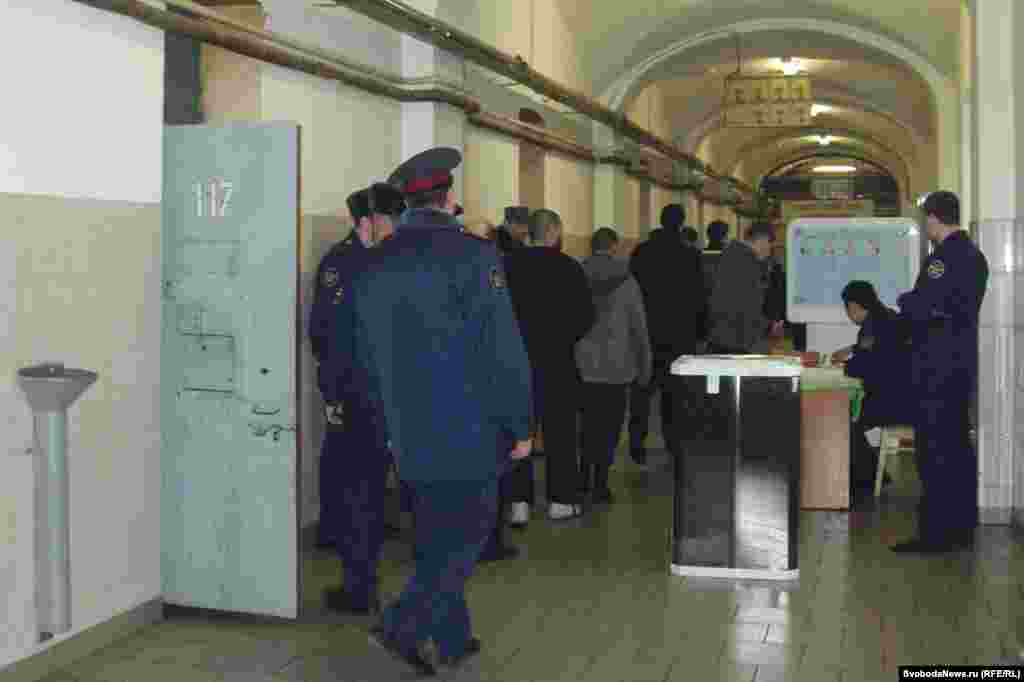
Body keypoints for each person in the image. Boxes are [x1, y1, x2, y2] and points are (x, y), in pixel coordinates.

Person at [336, 147, 533, 675]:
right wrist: (520, 424)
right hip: (468, 426)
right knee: (467, 538)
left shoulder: (373, 264)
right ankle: (401, 627)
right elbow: (501, 349)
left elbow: (359, 353)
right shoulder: (474, 257)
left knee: (434, 532)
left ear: (405, 203)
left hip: (402, 426)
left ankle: (452, 637)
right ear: (448, 199)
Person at [308, 182, 405, 614]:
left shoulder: (387, 260)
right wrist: (332, 394)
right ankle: (358, 582)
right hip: (354, 396)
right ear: (367, 221)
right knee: (356, 490)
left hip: (389, 395)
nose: (394, 226)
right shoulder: (341, 264)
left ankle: (364, 576)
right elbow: (324, 335)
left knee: (370, 489)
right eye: (388, 219)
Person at [891, 191, 988, 554]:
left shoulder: (943, 259)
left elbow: (923, 305)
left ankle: (934, 534)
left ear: (933, 219)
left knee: (934, 450)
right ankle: (960, 527)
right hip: (960, 363)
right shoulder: (975, 255)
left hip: (936, 365)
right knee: (958, 446)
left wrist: (905, 301)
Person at [503, 208, 596, 524]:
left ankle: (519, 503)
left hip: (517, 364)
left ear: (529, 233)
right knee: (561, 433)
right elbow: (586, 316)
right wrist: (562, 338)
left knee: (519, 431)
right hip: (558, 363)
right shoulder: (569, 268)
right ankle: (561, 500)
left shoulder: (509, 265)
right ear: (554, 232)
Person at [576, 227, 652, 503]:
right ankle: (600, 483)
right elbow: (638, 326)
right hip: (618, 367)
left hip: (582, 365)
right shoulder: (627, 280)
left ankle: (582, 475)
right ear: (615, 247)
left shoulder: (577, 275)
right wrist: (645, 366)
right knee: (609, 427)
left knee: (585, 425)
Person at [628, 203, 705, 464]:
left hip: (647, 333)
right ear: (682, 223)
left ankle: (636, 445)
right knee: (674, 395)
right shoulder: (690, 255)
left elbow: (633, 292)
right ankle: (674, 445)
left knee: (642, 391)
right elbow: (698, 297)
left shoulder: (641, 252)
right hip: (680, 335)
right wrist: (700, 332)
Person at [830, 281, 913, 501]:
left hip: (891, 401)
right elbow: (880, 348)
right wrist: (851, 350)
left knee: (843, 420)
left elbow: (867, 365)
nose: (848, 314)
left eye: (847, 309)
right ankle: (874, 476)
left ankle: (865, 482)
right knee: (848, 418)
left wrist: (841, 367)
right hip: (906, 395)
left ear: (855, 306)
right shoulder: (886, 316)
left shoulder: (871, 326)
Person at [707, 221, 784, 355]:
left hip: (723, 336)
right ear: (762, 240)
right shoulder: (747, 262)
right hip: (737, 340)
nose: (770, 249)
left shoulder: (731, 255)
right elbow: (748, 307)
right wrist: (770, 326)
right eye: (770, 244)